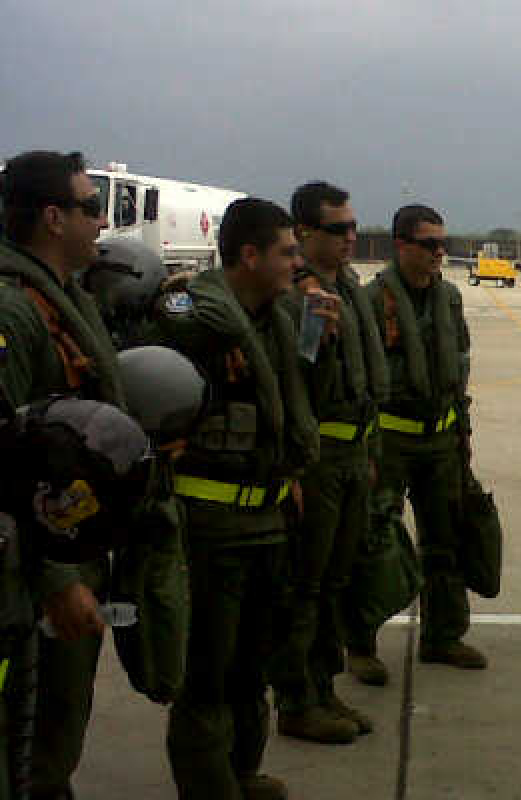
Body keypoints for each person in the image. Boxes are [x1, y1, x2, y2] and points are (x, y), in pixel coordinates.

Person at [157, 197, 319, 800]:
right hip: (212, 529)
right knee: (209, 672)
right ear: (248, 255)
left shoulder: (276, 318)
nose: (296, 263)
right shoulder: (194, 317)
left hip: (270, 519)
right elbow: (166, 320)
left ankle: (241, 771)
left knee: (253, 666)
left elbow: (291, 399)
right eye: (286, 252)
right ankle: (208, 786)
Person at [0, 150, 125, 800]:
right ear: (53, 217)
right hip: (34, 574)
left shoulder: (67, 299)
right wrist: (56, 580)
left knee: (59, 729)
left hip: (70, 552)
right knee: (34, 738)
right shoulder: (13, 312)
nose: (102, 222)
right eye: (89, 207)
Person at [269, 182, 387, 743]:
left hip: (352, 453)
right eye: (337, 229)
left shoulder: (350, 288)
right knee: (307, 584)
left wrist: (369, 454)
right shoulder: (299, 298)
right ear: (304, 233)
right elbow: (298, 383)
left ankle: (322, 684)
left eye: (352, 227)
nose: (350, 238)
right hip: (318, 461)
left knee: (336, 580)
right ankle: (296, 699)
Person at [347, 203, 484, 683]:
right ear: (401, 245)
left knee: (446, 538)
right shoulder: (371, 299)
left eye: (443, 244)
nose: (438, 253)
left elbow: (459, 368)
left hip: (441, 439)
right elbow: (360, 379)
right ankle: (361, 642)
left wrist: (462, 434)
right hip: (389, 441)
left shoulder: (449, 299)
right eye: (428, 244)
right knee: (374, 539)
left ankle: (444, 635)